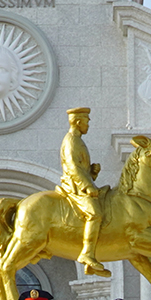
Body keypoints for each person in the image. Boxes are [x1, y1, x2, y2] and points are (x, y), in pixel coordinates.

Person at [57, 106, 108, 277]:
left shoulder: (78, 140)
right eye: (87, 121)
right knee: (95, 214)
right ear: (78, 122)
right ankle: (87, 254)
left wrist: (92, 172)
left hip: (81, 185)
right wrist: (88, 186)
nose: (89, 124)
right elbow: (72, 168)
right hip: (75, 188)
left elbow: (80, 167)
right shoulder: (71, 140)